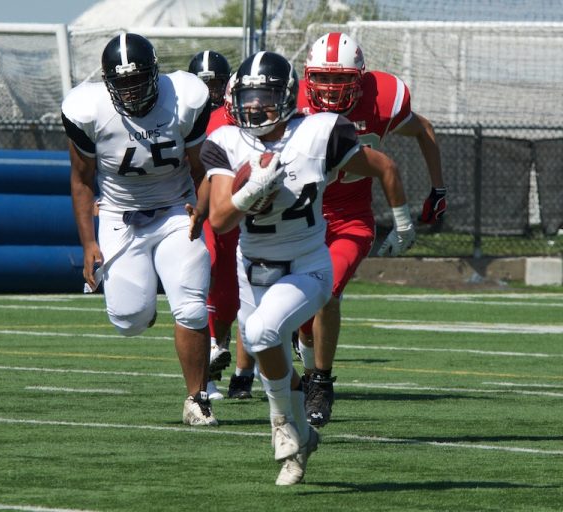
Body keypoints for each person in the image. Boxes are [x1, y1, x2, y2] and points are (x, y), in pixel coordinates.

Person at [202, 50, 415, 485]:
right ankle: (302, 442)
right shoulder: (225, 141)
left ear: (286, 97)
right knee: (267, 359)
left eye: (265, 96)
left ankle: (282, 428)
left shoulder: (320, 133)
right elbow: (221, 218)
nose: (255, 105)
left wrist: (403, 221)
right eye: (247, 96)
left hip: (306, 265)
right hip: (252, 267)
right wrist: (251, 192)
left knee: (261, 333)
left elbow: (383, 165)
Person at [61, 32, 218, 426]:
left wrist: (202, 210)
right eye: (122, 82)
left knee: (192, 305)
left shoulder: (185, 98)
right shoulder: (86, 108)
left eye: (137, 80)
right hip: (118, 214)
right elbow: (81, 180)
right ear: (107, 82)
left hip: (176, 211)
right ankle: (142, 306)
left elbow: (203, 168)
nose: (130, 91)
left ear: (155, 73)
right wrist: (88, 244)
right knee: (129, 319)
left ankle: (197, 399)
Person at [294, 32, 447, 427]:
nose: (330, 88)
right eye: (322, 79)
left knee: (326, 289)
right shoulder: (288, 103)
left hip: (350, 219)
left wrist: (437, 188)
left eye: (341, 78)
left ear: (360, 78)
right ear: (307, 77)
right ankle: (307, 367)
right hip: (299, 218)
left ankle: (321, 384)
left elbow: (424, 129)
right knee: (300, 317)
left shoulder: (383, 98)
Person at [188, 51, 237, 400]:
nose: (210, 92)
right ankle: (205, 376)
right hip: (192, 206)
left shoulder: (233, 116)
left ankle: (219, 348)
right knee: (206, 275)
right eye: (203, 85)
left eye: (215, 84)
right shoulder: (181, 115)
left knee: (230, 295)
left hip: (231, 206)